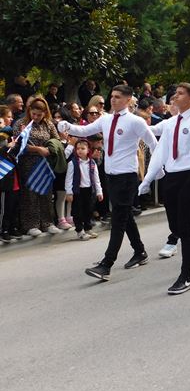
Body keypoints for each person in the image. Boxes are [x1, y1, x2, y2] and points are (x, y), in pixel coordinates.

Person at [58, 84, 158, 281]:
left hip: (127, 176)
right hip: (111, 175)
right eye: (112, 96)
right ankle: (140, 251)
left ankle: (107, 263)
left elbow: (153, 143)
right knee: (125, 214)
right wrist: (67, 127)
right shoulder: (106, 119)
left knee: (118, 218)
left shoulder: (136, 121)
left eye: (118, 97)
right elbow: (84, 130)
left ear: (128, 100)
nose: (113, 99)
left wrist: (157, 169)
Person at [138, 83, 190, 294]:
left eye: (180, 94)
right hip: (171, 177)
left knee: (185, 227)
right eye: (175, 94)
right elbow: (160, 152)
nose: (175, 97)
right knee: (176, 227)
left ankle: (186, 275)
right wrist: (147, 180)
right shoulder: (170, 123)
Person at [13, 97, 62, 236]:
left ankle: (47, 223)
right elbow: (18, 144)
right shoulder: (21, 123)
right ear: (29, 111)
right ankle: (31, 225)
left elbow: (57, 141)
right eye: (33, 114)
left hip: (45, 163)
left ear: (45, 113)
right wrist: (38, 149)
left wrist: (49, 149)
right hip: (27, 163)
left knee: (46, 193)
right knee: (30, 195)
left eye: (39, 115)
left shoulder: (48, 124)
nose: (35, 117)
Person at [66, 139, 103, 240]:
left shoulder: (92, 163)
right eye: (78, 148)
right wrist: (69, 192)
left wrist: (99, 191)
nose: (80, 150)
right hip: (78, 191)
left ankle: (87, 228)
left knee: (88, 210)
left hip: (89, 190)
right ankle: (80, 231)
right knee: (77, 211)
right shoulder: (72, 163)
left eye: (83, 148)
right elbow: (68, 179)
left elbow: (96, 178)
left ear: (88, 150)